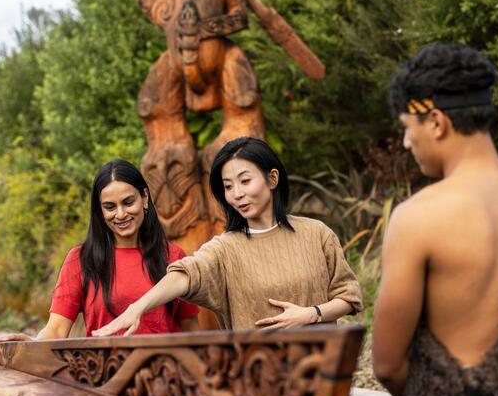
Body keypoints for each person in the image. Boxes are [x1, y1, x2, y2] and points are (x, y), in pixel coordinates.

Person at [372, 44, 498, 396]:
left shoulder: (419, 217)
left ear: (436, 122)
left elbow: (387, 363)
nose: (406, 142)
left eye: (408, 127)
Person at [92, 137, 362, 336]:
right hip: (256, 387)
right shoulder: (225, 249)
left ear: (273, 179)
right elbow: (186, 274)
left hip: (322, 379)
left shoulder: (317, 234)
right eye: (228, 187)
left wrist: (311, 314)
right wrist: (137, 308)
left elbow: (349, 297)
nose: (237, 194)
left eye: (245, 181)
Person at [0, 159, 199, 341]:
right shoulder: (81, 259)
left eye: (128, 202)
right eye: (110, 207)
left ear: (144, 197)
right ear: (100, 210)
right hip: (101, 377)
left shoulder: (173, 256)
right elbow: (57, 330)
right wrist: (30, 345)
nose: (120, 214)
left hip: (164, 376)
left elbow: (191, 330)